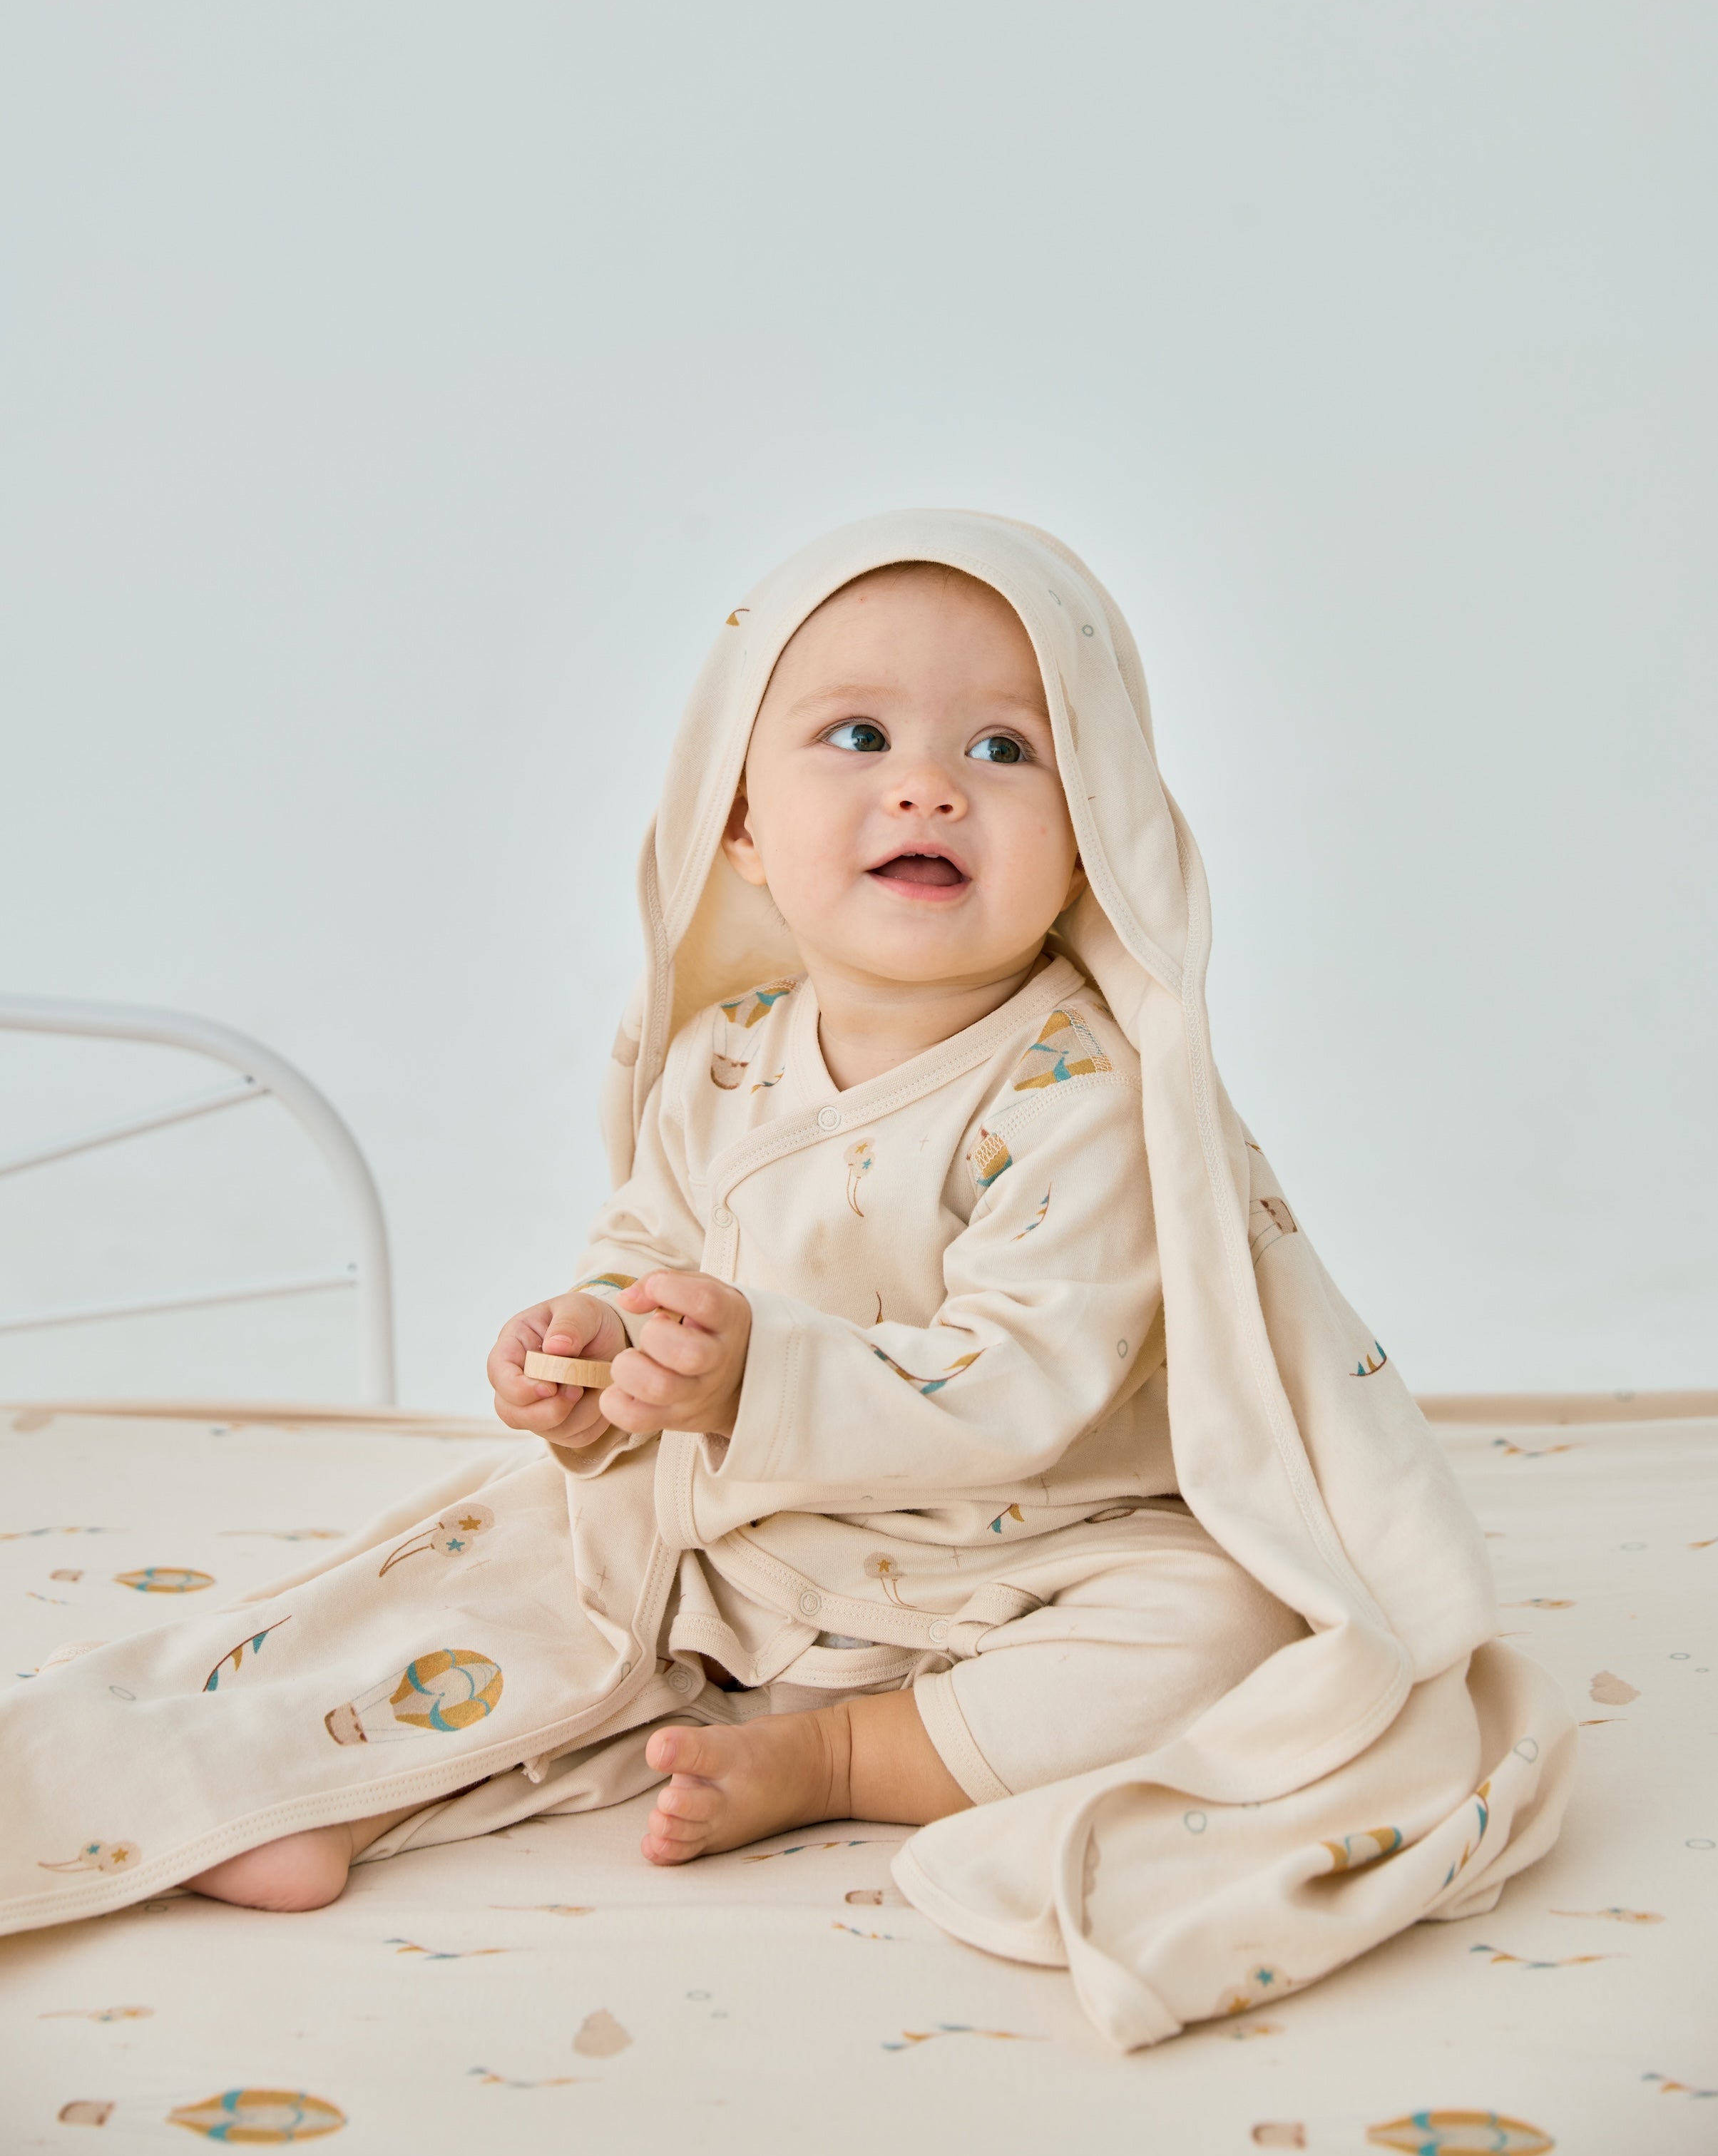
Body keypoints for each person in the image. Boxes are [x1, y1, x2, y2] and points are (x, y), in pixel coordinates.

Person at [2, 513, 1573, 2050]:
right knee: (497, 1563)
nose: (926, 784)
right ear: (741, 826)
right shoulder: (721, 1057)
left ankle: (834, 1756)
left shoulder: (1084, 1093)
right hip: (756, 1528)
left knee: (1230, 1632)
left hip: (1022, 1544)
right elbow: (644, 1252)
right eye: (857, 733)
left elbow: (1023, 1382)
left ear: (1093, 833)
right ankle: (311, 1779)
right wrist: (591, 1352)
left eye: (1005, 751)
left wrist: (757, 1377)